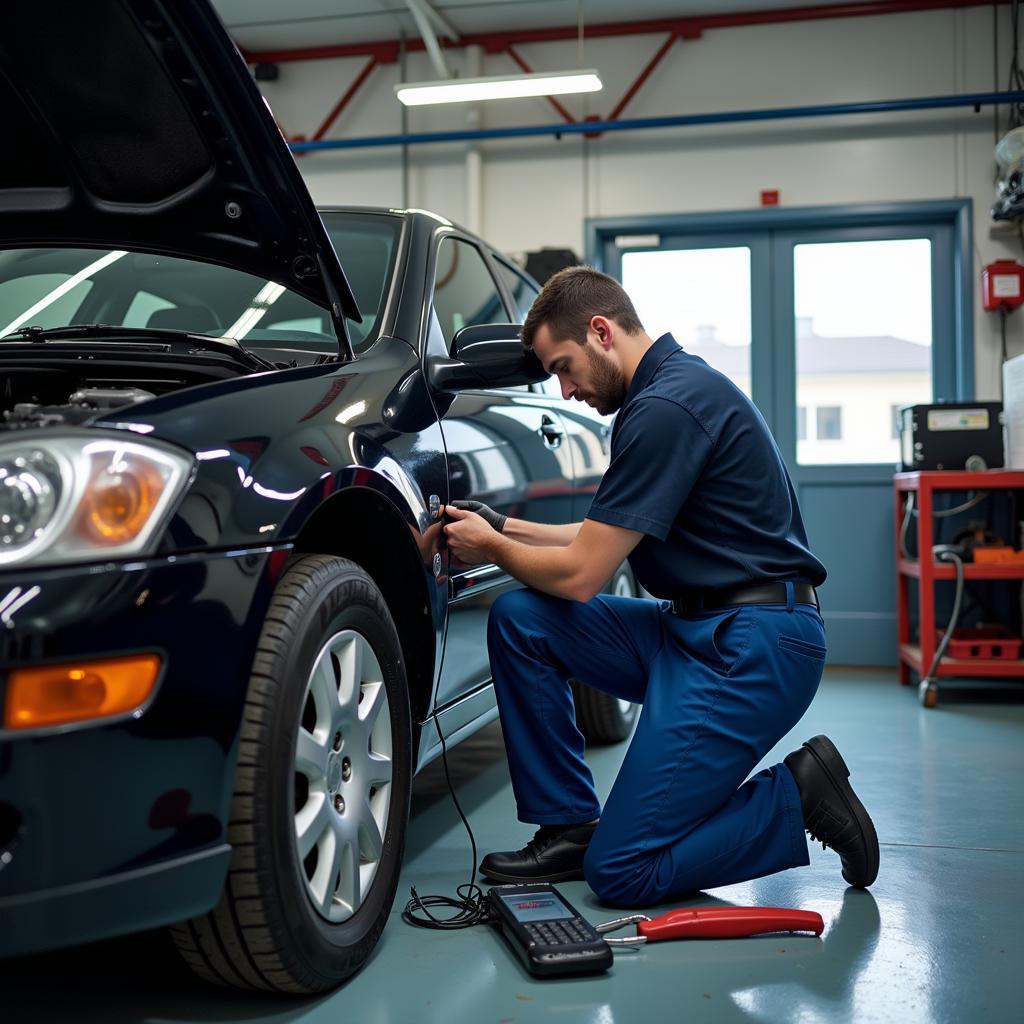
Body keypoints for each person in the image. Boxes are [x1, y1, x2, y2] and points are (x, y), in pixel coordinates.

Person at [443, 267, 878, 908]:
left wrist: (491, 548)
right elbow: (596, 536)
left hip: (751, 649)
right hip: (693, 631)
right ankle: (566, 825)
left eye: (564, 368)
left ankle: (799, 794)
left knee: (621, 871)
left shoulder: (666, 409)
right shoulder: (666, 393)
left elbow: (585, 575)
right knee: (522, 619)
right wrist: (502, 524)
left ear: (601, 332)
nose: (564, 391)